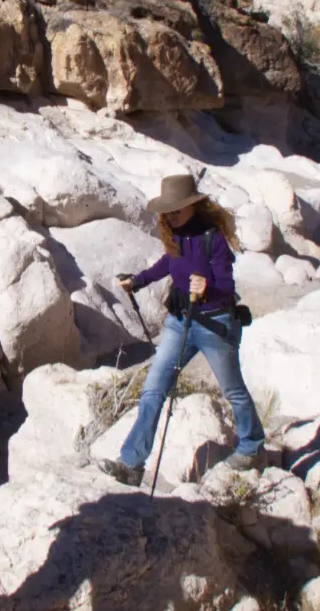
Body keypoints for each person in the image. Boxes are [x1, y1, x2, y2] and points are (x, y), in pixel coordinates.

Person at [99, 173, 264, 486]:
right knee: (153, 390)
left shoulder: (211, 237)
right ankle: (131, 464)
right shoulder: (173, 235)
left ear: (192, 206)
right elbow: (168, 264)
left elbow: (227, 286)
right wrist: (138, 281)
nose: (170, 215)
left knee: (233, 390)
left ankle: (252, 445)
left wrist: (207, 290)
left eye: (176, 210)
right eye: (167, 211)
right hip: (180, 323)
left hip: (215, 323)